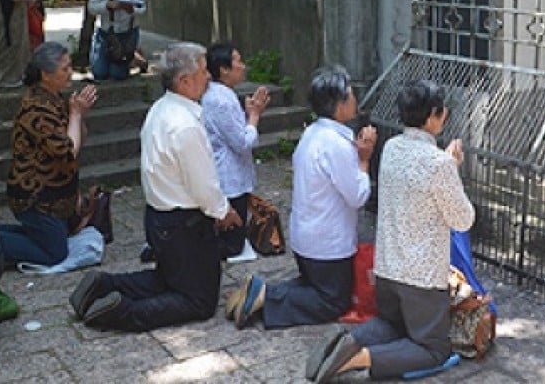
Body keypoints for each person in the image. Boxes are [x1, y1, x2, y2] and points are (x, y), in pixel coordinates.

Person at [305, 80, 475, 383]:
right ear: (435, 115)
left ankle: (346, 339)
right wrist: (453, 169)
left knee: (392, 323)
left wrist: (447, 166)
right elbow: (463, 219)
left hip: (387, 269)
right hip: (421, 278)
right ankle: (357, 358)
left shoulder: (392, 147)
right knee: (435, 348)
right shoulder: (439, 164)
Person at [68, 42, 242, 331]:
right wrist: (224, 212)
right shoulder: (184, 124)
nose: (209, 76)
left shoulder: (161, 108)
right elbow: (202, 185)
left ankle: (105, 286)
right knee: (199, 301)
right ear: (184, 81)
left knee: (170, 279)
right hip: (184, 224)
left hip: (161, 219)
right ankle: (122, 312)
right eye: (203, 71)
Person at [229, 65, 376, 330]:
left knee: (316, 286)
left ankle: (259, 292)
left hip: (306, 237)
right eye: (351, 94)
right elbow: (357, 197)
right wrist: (364, 161)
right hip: (327, 244)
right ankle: (267, 296)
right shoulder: (337, 144)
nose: (355, 99)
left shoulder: (312, 133)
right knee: (332, 301)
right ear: (339, 104)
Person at [0, 42, 98, 266]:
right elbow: (67, 151)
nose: (70, 72)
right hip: (35, 197)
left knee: (51, 241)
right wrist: (75, 114)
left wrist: (78, 115)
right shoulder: (37, 109)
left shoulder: (53, 99)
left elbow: (77, 140)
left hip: (56, 193)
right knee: (54, 254)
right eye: (64, 69)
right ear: (46, 74)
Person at [202, 42, 271, 260]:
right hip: (228, 178)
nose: (243, 66)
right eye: (238, 61)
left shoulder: (221, 94)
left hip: (227, 173)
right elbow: (242, 141)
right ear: (224, 69)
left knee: (234, 237)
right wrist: (254, 116)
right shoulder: (221, 99)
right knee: (233, 245)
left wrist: (248, 113)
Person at [87, 0, 147, 81]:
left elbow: (142, 8)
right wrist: (107, 6)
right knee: (99, 73)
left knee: (117, 75)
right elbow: (92, 8)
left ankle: (133, 57)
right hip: (106, 31)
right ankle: (134, 57)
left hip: (127, 32)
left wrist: (132, 9)